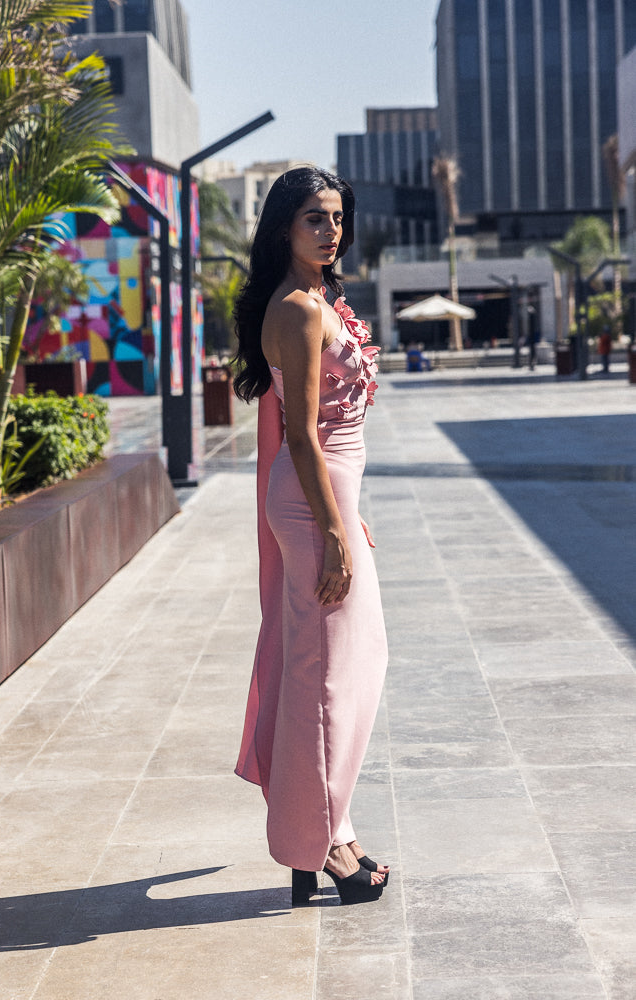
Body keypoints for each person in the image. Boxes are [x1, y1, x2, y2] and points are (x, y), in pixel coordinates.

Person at [232, 167, 389, 906]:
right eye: (313, 219)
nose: (329, 231)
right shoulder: (296, 309)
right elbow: (300, 436)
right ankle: (320, 845)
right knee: (325, 680)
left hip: (327, 502)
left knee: (344, 668)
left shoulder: (320, 297)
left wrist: (344, 517)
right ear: (282, 230)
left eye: (334, 217)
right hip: (308, 503)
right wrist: (329, 532)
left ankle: (334, 827)